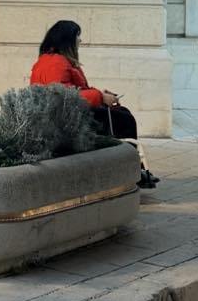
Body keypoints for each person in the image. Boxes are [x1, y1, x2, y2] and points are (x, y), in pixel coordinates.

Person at [30, 19, 158, 187]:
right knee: (124, 120)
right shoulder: (56, 63)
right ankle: (130, 169)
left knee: (123, 114)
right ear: (67, 39)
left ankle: (133, 168)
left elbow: (74, 90)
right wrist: (100, 97)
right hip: (69, 120)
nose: (80, 40)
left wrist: (101, 95)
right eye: (78, 35)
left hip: (69, 115)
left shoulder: (53, 60)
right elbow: (64, 96)